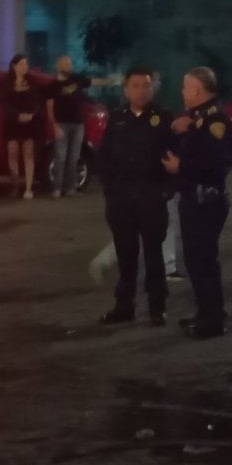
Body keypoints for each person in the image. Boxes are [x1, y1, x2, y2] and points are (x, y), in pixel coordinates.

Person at [95, 64, 171, 326]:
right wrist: (109, 188)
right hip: (121, 200)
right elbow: (103, 157)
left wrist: (165, 191)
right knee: (126, 255)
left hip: (151, 198)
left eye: (146, 85)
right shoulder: (117, 119)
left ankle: (157, 307)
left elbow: (174, 159)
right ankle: (124, 305)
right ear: (126, 89)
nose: (141, 90)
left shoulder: (163, 119)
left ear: (154, 88)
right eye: (135, 85)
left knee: (153, 255)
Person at [165, 65, 232, 339]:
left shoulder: (214, 121)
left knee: (203, 260)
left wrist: (181, 167)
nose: (182, 92)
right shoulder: (199, 119)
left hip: (206, 201)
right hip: (194, 198)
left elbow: (217, 165)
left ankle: (213, 320)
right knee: (196, 261)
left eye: (185, 88)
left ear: (196, 90)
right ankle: (205, 313)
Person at [46, 54, 96, 197]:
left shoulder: (77, 79)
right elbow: (49, 107)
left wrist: (113, 81)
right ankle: (57, 188)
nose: (69, 66)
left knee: (74, 157)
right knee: (60, 157)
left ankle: (70, 189)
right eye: (66, 64)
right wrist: (54, 125)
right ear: (58, 66)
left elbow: (93, 82)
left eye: (70, 63)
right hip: (61, 124)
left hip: (78, 124)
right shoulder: (52, 86)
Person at [0, 53, 48, 199]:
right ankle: (14, 186)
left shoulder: (32, 82)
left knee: (28, 155)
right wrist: (16, 116)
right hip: (12, 123)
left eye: (26, 64)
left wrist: (31, 114)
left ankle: (28, 188)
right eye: (21, 64)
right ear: (14, 66)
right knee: (12, 154)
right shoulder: (6, 83)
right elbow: (4, 103)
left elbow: (38, 102)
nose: (25, 67)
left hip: (29, 123)